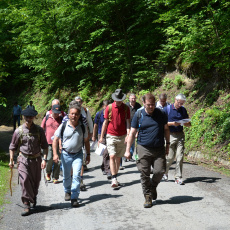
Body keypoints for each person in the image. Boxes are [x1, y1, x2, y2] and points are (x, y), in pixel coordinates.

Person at [125, 93, 170, 208]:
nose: (151, 107)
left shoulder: (161, 114)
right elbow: (132, 132)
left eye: (153, 104)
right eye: (149, 105)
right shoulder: (139, 114)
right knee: (144, 173)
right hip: (143, 148)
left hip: (159, 148)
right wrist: (127, 150)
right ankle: (148, 196)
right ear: (144, 103)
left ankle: (153, 186)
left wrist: (168, 144)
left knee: (160, 171)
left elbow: (166, 129)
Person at [9, 108, 48, 216]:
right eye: (26, 117)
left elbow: (45, 147)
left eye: (30, 117)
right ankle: (26, 203)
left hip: (36, 160)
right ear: (23, 117)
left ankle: (33, 196)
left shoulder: (39, 131)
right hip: (23, 159)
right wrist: (11, 160)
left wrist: (44, 159)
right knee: (24, 180)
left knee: (36, 181)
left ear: (34, 117)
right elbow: (12, 147)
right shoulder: (18, 131)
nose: (28, 119)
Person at [52, 104, 90, 207]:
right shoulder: (63, 125)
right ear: (69, 114)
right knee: (66, 175)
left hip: (78, 154)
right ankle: (67, 191)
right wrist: (55, 154)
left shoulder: (82, 126)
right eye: (72, 114)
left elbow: (86, 141)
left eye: (76, 114)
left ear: (79, 115)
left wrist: (88, 154)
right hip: (65, 154)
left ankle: (74, 197)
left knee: (77, 175)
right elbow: (55, 139)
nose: (74, 116)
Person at [99, 89, 130, 188]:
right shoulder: (109, 108)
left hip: (122, 136)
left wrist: (128, 135)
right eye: (117, 100)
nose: (119, 101)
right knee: (112, 156)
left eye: (120, 100)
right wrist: (101, 137)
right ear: (114, 99)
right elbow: (105, 122)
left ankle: (115, 177)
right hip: (110, 135)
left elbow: (128, 122)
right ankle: (113, 178)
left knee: (118, 158)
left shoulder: (126, 108)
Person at [163, 93, 191, 185]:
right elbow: (162, 123)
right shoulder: (167, 109)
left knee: (180, 157)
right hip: (170, 135)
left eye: (182, 103)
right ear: (175, 99)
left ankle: (178, 177)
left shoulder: (183, 110)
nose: (180, 105)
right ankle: (165, 172)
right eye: (179, 103)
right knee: (170, 157)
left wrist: (185, 123)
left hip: (180, 135)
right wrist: (172, 124)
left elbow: (189, 124)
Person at [41, 104, 63, 184]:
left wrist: (61, 145)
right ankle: (48, 172)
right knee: (49, 158)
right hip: (48, 142)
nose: (57, 114)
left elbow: (62, 132)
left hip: (58, 143)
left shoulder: (61, 119)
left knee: (57, 160)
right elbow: (41, 128)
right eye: (55, 112)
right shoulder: (47, 117)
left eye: (58, 113)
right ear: (52, 110)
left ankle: (55, 177)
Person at [92, 100, 111, 179]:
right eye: (106, 106)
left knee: (108, 152)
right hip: (101, 135)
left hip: (110, 134)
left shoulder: (111, 114)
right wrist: (94, 136)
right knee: (105, 152)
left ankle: (103, 166)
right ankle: (108, 171)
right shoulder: (99, 114)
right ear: (103, 106)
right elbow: (95, 125)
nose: (107, 108)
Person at [125, 93, 141, 161]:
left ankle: (132, 156)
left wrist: (138, 129)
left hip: (135, 126)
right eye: (132, 98)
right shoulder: (126, 106)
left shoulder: (138, 106)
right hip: (126, 126)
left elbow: (141, 117)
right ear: (129, 99)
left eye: (134, 98)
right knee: (126, 141)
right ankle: (125, 155)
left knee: (134, 142)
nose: (133, 100)